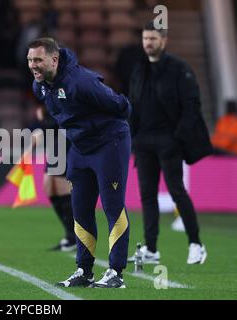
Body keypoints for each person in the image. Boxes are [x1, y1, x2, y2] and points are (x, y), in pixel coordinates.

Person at [27, 38, 132, 288]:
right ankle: (84, 271)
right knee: (80, 209)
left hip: (109, 144)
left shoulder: (81, 82)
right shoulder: (40, 86)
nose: (33, 65)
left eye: (38, 60)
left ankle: (116, 272)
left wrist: (97, 127)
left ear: (54, 59)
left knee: (112, 207)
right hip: (80, 148)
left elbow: (122, 106)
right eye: (30, 60)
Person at [128, 22, 213, 265]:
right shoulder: (139, 69)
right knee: (147, 196)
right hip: (144, 142)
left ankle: (196, 243)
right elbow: (133, 105)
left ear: (164, 41)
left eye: (153, 39)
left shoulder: (179, 68)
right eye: (145, 39)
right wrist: (134, 137)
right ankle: (152, 249)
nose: (148, 43)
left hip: (169, 140)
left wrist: (178, 137)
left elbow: (192, 106)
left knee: (177, 191)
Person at [28, 105, 76, 252]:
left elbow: (62, 118)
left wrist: (42, 125)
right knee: (50, 188)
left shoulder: (63, 88)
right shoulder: (43, 89)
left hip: (67, 139)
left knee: (61, 188)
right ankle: (71, 235)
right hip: (58, 140)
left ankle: (74, 236)